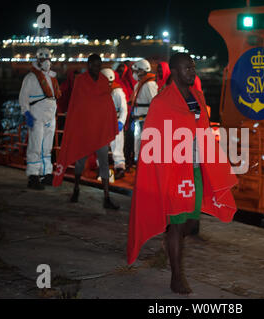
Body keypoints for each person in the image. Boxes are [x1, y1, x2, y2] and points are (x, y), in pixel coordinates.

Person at [127, 53, 238, 294]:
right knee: (178, 224)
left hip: (196, 167)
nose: (192, 71)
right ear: (175, 72)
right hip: (174, 170)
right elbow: (153, 141)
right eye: (187, 67)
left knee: (190, 223)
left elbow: (204, 131)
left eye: (193, 66)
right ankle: (177, 277)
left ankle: (169, 241)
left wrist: (215, 166)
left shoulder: (197, 96)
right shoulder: (162, 102)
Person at [52, 54, 119, 210]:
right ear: (89, 65)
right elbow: (77, 105)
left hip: (100, 132)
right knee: (80, 163)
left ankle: (106, 197)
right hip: (84, 130)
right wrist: (76, 127)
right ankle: (76, 188)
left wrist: (109, 123)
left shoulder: (103, 81)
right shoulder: (80, 81)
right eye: (95, 65)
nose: (97, 68)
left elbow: (106, 104)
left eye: (99, 65)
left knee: (104, 163)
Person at [19, 47, 61, 190]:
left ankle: (46, 173)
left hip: (50, 116)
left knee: (47, 147)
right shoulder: (30, 78)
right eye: (43, 58)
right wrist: (27, 114)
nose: (46, 61)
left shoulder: (52, 78)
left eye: (48, 58)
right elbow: (23, 99)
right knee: (35, 146)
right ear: (38, 60)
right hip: (36, 115)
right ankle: (33, 176)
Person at [127, 59, 158, 165]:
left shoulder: (149, 85)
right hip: (138, 120)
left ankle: (144, 166)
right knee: (137, 144)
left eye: (135, 71)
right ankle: (138, 164)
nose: (134, 74)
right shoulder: (140, 84)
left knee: (145, 146)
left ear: (141, 71)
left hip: (145, 120)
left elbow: (155, 103)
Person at [101, 68, 128, 179]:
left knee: (117, 146)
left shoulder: (117, 92)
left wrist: (121, 122)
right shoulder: (99, 91)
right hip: (103, 122)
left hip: (115, 121)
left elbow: (124, 109)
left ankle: (120, 168)